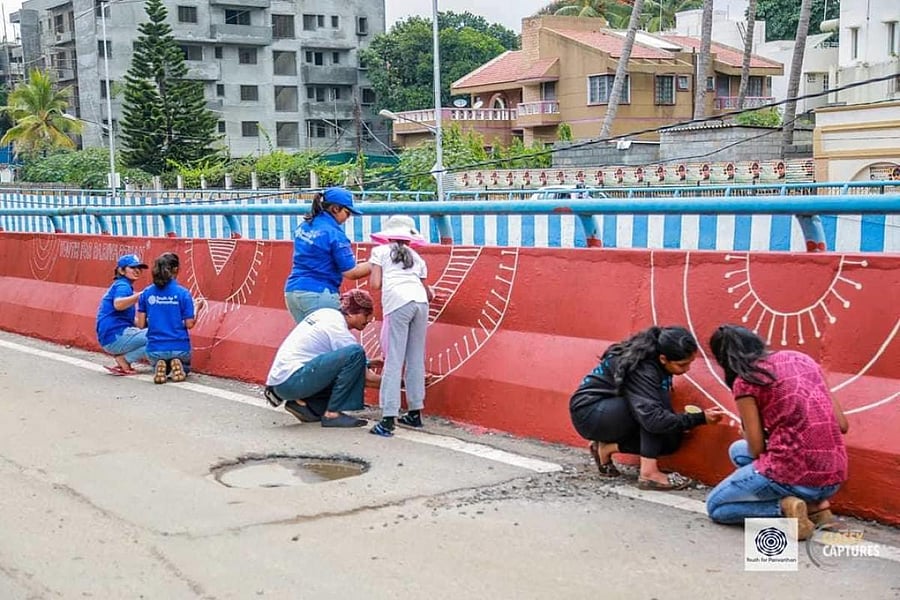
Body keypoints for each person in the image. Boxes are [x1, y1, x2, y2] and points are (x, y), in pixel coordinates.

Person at [705, 325, 849, 540]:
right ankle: (818, 507)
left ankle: (785, 508)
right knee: (737, 451)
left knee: (716, 507)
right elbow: (842, 424)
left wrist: (752, 426)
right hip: (833, 475)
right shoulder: (803, 359)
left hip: (791, 472)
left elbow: (756, 450)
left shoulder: (746, 380)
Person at [569, 326, 725, 490]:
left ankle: (606, 449)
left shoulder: (656, 362)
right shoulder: (643, 367)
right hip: (591, 413)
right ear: (664, 359)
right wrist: (699, 418)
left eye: (690, 363)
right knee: (654, 414)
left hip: (611, 411)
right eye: (682, 365)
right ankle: (649, 473)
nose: (687, 370)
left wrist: (681, 422)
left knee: (671, 439)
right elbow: (653, 419)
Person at [265, 289, 382, 428]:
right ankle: (333, 414)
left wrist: (370, 362)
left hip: (282, 382)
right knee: (356, 352)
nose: (369, 319)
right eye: (366, 314)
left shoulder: (326, 314)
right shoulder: (338, 330)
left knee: (352, 361)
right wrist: (400, 384)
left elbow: (331, 360)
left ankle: (304, 405)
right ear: (351, 312)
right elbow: (364, 376)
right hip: (293, 381)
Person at [367, 215, 434, 437]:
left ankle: (387, 419)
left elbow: (375, 284)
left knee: (394, 360)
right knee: (415, 358)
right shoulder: (417, 258)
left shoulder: (380, 252)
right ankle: (415, 412)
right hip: (421, 304)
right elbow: (427, 292)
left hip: (398, 303)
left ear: (387, 235)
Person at [284, 187, 372, 323]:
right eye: (347, 213)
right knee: (329, 340)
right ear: (335, 208)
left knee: (311, 340)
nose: (347, 218)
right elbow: (351, 273)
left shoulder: (305, 225)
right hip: (319, 293)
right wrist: (379, 261)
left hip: (292, 291)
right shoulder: (334, 233)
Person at [136, 252, 207, 384]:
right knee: (185, 367)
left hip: (155, 348)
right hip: (180, 347)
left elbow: (140, 325)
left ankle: (161, 365)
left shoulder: (146, 293)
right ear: (176, 269)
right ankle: (178, 366)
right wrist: (198, 307)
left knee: (156, 359)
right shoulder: (183, 293)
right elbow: (189, 324)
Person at [96, 254, 149, 375]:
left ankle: (125, 360)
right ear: (121, 270)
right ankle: (125, 359)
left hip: (110, 338)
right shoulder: (123, 285)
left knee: (158, 333)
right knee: (161, 336)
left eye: (139, 268)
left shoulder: (122, 286)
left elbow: (133, 321)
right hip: (116, 336)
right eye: (132, 267)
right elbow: (118, 304)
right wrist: (141, 295)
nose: (137, 270)